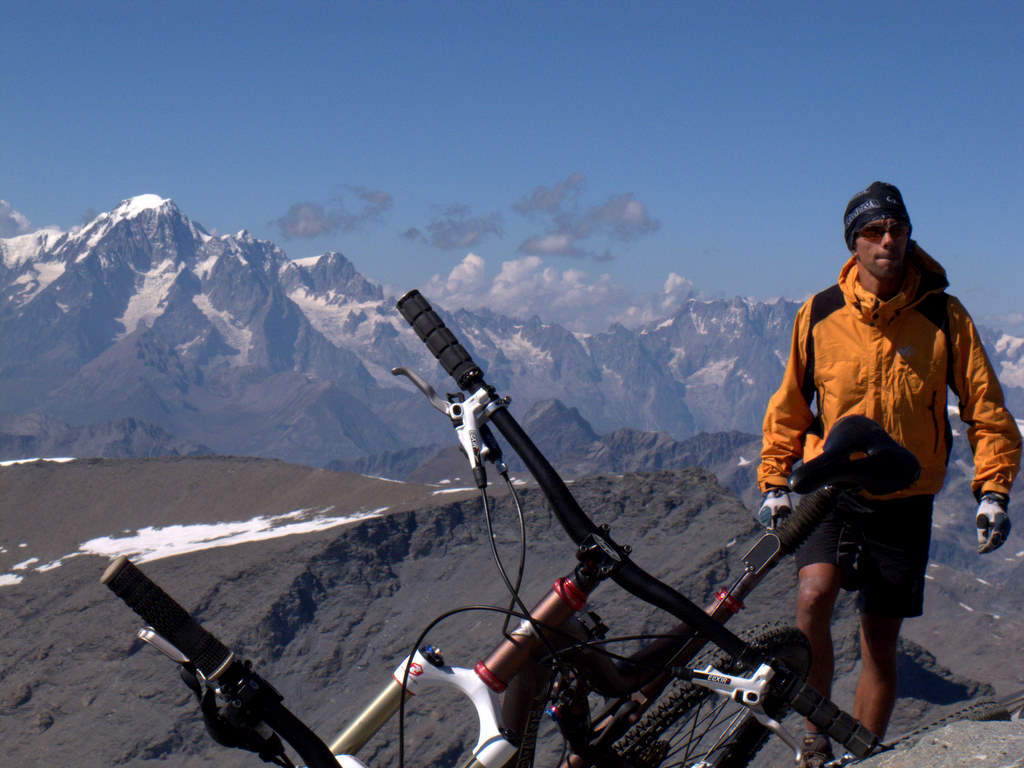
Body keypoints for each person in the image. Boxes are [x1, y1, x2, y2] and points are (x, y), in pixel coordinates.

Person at [756, 181, 1021, 767]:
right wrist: (775, 480)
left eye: (896, 229)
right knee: (813, 596)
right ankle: (815, 735)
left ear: (909, 235)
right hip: (832, 490)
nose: (887, 241)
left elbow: (986, 408)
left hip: (905, 496)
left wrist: (993, 488)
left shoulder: (943, 316)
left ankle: (860, 755)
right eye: (873, 232)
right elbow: (791, 404)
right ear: (854, 243)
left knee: (880, 640)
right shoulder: (820, 313)